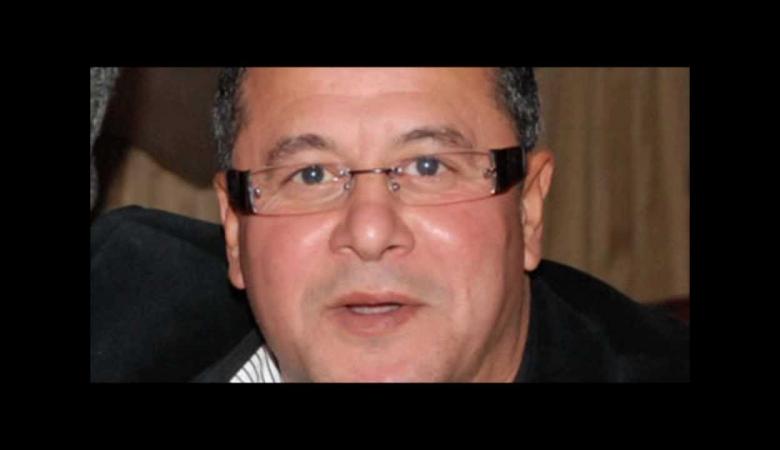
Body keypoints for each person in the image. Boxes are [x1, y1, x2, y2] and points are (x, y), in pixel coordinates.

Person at [191, 67, 689, 382]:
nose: (369, 234)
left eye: (428, 167)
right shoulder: (151, 338)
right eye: (311, 174)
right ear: (234, 229)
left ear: (529, 208)